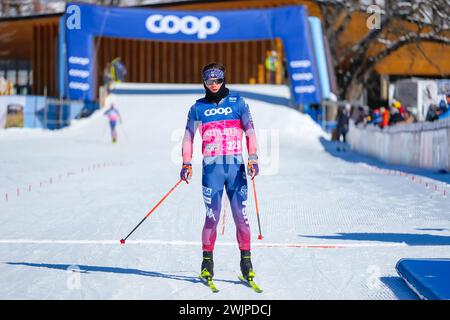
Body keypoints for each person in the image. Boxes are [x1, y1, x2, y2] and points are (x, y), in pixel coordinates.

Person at [180, 62, 259, 283]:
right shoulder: (198, 108)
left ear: (224, 79)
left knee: (241, 218)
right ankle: (207, 263)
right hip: (211, 171)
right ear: (203, 81)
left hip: (236, 170)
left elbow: (250, 131)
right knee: (212, 218)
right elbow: (188, 136)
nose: (214, 84)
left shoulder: (238, 103)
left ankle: (246, 262)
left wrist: (253, 158)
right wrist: (186, 163)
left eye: (218, 80)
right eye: (209, 80)